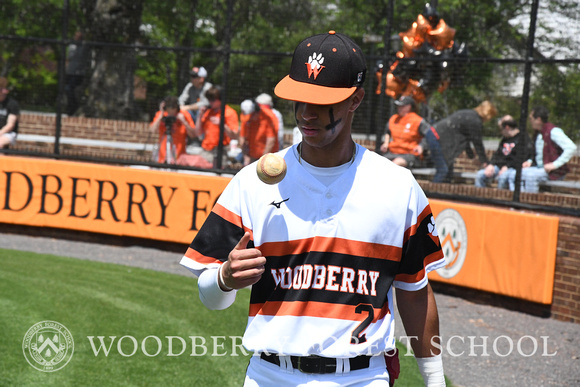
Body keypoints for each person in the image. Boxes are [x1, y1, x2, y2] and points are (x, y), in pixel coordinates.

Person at [180, 31, 446, 386]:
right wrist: (225, 278)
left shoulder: (398, 186)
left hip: (361, 378)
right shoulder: (251, 182)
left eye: (321, 102)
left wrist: (435, 380)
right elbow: (210, 297)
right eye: (299, 98)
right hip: (269, 376)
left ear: (356, 99)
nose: (306, 113)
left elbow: (414, 294)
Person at [509, 106, 577, 193]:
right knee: (513, 175)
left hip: (553, 172)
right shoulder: (538, 133)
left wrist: (555, 164)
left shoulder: (553, 131)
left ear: (538, 119)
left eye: (531, 119)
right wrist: (530, 161)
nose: (530, 122)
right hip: (538, 168)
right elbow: (538, 153)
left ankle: (530, 203)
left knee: (530, 177)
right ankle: (519, 200)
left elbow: (571, 147)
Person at [380, 95, 448, 182]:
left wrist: (421, 146)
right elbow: (388, 132)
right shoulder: (393, 119)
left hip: (410, 154)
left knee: (395, 164)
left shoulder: (417, 120)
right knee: (379, 164)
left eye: (402, 106)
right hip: (392, 152)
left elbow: (429, 136)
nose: (399, 108)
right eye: (398, 106)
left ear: (409, 107)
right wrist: (386, 143)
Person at [433, 100, 498, 182]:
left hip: (437, 136)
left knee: (447, 170)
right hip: (442, 140)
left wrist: (470, 153)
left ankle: (442, 188)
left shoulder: (469, 115)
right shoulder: (475, 121)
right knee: (443, 170)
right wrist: (485, 162)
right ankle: (436, 190)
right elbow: (477, 143)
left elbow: (465, 135)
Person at [474, 115, 533, 189]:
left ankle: (499, 199)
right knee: (480, 175)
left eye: (501, 129)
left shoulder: (523, 138)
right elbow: (497, 154)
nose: (500, 132)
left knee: (502, 178)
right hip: (499, 166)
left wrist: (507, 167)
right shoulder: (505, 139)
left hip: (513, 168)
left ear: (507, 127)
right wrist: (491, 165)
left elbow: (522, 157)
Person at [194, 86, 239, 165]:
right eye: (209, 99)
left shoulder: (230, 113)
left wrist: (222, 124)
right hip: (206, 150)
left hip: (220, 151)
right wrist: (199, 115)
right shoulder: (208, 112)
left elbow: (234, 135)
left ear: (221, 99)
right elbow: (197, 133)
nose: (210, 102)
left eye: (213, 100)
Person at [149, 95, 195, 164]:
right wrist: (160, 117)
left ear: (177, 108)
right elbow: (152, 130)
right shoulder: (161, 114)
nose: (171, 114)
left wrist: (184, 122)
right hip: (162, 157)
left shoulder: (184, 115)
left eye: (173, 110)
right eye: (168, 110)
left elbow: (193, 135)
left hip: (178, 158)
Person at [238, 98, 279, 166]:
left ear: (256, 112)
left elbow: (271, 141)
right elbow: (242, 138)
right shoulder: (246, 120)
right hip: (252, 155)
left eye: (251, 116)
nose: (249, 119)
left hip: (268, 156)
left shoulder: (268, 118)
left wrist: (262, 161)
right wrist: (246, 156)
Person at [65, 30, 91, 116]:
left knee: (70, 89)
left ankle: (74, 106)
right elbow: (68, 58)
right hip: (70, 72)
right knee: (68, 90)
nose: (76, 38)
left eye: (79, 36)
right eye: (76, 36)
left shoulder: (85, 46)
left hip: (79, 73)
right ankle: (71, 107)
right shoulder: (72, 46)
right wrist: (66, 69)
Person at [0, 77, 20, 149]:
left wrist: (0, 133)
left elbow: (10, 125)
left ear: (5, 91)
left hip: (9, 133)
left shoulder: (12, 104)